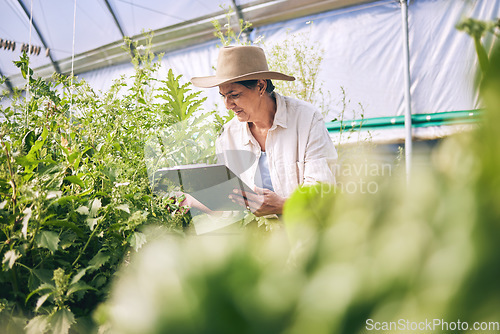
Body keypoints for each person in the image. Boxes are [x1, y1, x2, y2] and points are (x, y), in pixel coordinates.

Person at [189, 45, 337, 217]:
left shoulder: (306, 119)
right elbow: (231, 207)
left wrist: (284, 205)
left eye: (234, 95)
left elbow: (322, 187)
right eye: (223, 96)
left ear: (260, 86)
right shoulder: (228, 136)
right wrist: (193, 201)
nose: (228, 105)